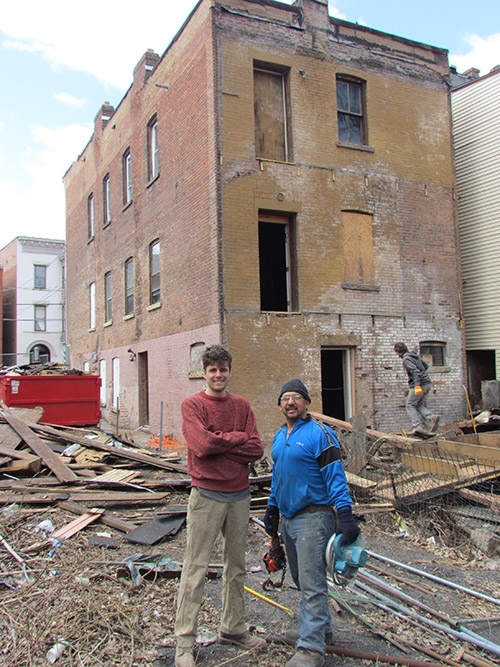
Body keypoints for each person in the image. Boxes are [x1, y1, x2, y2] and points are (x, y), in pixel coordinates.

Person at [174, 345, 266, 667]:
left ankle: (233, 627)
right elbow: (200, 444)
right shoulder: (193, 405)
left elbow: (256, 448)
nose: (218, 375)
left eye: (222, 369)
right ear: (204, 373)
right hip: (207, 496)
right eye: (212, 370)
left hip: (239, 496)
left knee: (236, 567)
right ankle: (184, 642)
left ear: (229, 371)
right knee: (195, 568)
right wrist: (234, 439)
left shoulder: (242, 405)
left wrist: (221, 440)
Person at [263, 379, 361, 667]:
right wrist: (272, 510)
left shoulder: (321, 433)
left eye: (296, 397)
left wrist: (344, 515)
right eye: (285, 398)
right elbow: (278, 477)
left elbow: (335, 476)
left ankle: (311, 649)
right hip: (289, 519)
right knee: (300, 579)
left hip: (314, 517)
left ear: (306, 404)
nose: (290, 402)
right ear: (280, 405)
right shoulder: (280, 436)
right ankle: (322, 632)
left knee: (312, 583)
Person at [394, 342, 440, 434]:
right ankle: (431, 417)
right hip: (427, 383)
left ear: (398, 352)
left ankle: (416, 426)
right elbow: (426, 366)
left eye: (396, 352)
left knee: (410, 405)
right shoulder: (415, 356)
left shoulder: (406, 359)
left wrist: (417, 385)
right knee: (418, 404)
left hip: (419, 385)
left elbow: (415, 372)